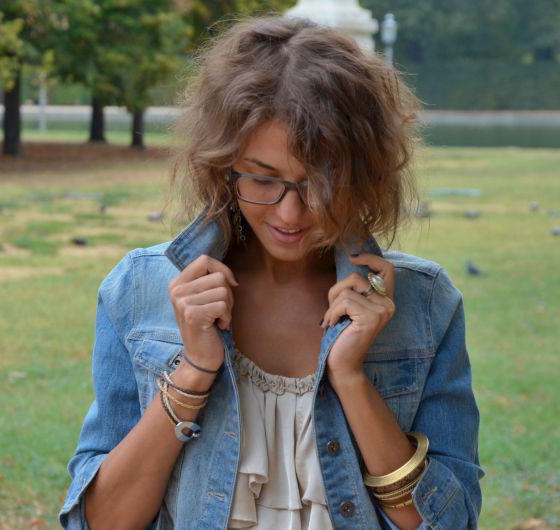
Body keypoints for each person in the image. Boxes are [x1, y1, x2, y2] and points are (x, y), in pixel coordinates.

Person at [59, 15, 484, 530]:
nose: (290, 213)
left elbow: (451, 522)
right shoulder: (139, 290)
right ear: (223, 167)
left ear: (364, 174)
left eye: (321, 184)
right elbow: (101, 521)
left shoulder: (424, 303)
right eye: (263, 180)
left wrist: (351, 379)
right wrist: (193, 372)